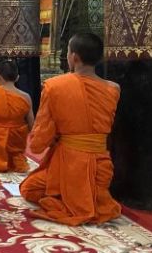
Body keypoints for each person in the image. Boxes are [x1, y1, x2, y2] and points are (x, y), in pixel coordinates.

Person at [20, 33, 121, 225]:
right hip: (101, 165)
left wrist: (57, 137)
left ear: (73, 57)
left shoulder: (55, 86)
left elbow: (39, 143)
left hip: (68, 164)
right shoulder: (113, 89)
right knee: (94, 193)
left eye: (67, 52)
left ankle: (65, 197)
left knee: (29, 188)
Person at [0, 60, 34, 173]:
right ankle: (16, 160)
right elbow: (31, 125)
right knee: (17, 152)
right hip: (18, 138)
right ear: (17, 77)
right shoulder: (26, 97)